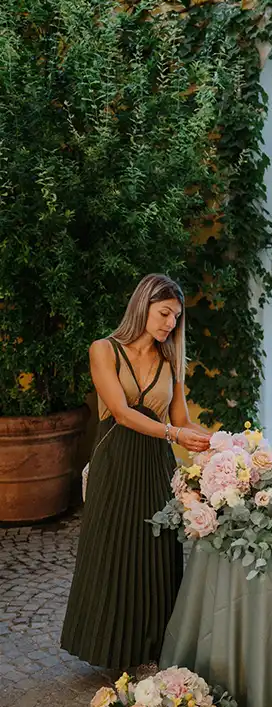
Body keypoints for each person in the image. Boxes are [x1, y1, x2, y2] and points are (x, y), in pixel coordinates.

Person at [61, 273, 209, 670]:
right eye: (164, 313)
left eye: (176, 318)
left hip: (156, 465)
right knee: (112, 551)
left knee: (156, 551)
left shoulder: (171, 360)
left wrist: (225, 443)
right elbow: (122, 413)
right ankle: (108, 649)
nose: (169, 324)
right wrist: (175, 432)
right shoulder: (104, 350)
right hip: (115, 461)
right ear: (143, 306)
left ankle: (152, 647)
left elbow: (182, 419)